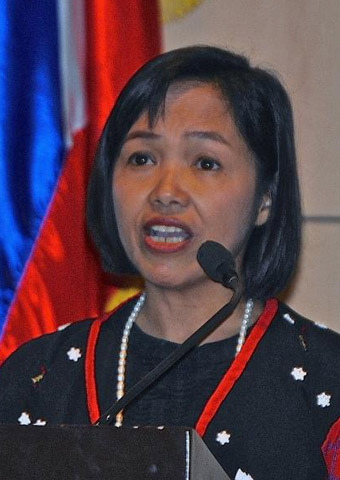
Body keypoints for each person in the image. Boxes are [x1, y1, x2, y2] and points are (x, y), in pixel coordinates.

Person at [0, 45, 339, 479]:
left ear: (265, 200)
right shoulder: (37, 379)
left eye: (205, 162)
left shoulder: (325, 381)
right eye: (142, 158)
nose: (166, 190)